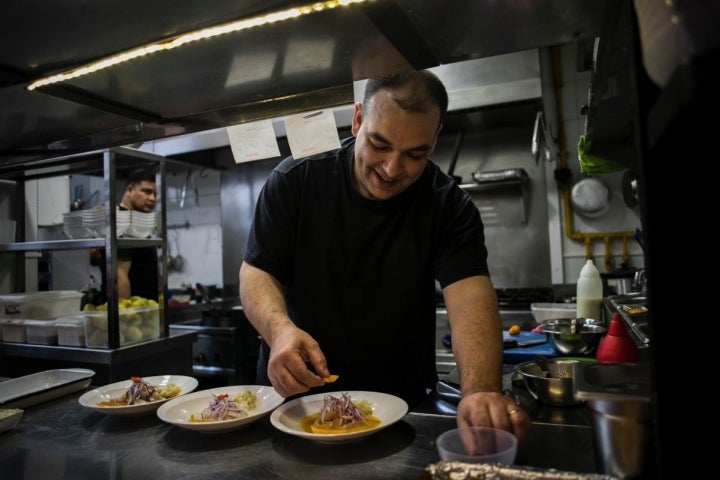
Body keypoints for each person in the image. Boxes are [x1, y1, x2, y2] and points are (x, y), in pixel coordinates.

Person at [238, 70, 530, 441]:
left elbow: (470, 298)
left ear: (435, 138)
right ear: (358, 119)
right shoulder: (297, 179)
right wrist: (279, 331)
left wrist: (481, 390)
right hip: (297, 404)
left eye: (415, 154)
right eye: (379, 144)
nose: (392, 169)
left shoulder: (448, 206)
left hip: (403, 408)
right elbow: (256, 271)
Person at [116, 167, 159, 300]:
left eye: (155, 194)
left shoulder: (134, 222)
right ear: (130, 190)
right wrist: (127, 316)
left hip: (144, 310)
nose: (152, 198)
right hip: (135, 313)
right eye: (147, 191)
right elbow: (119, 274)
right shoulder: (123, 222)